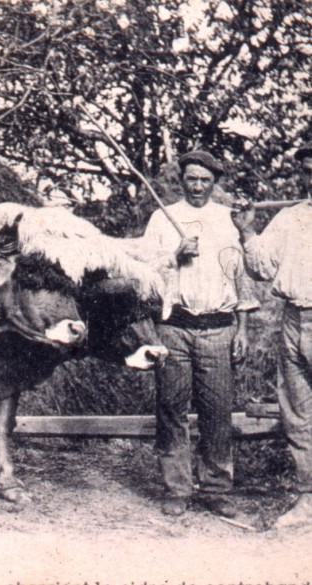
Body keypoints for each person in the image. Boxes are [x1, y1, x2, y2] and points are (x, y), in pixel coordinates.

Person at [142, 150, 259, 517]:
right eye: (191, 179)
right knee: (171, 408)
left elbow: (241, 277)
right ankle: (176, 488)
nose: (197, 186)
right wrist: (175, 255)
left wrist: (243, 329)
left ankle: (215, 487)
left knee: (217, 412)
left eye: (204, 180)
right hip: (173, 327)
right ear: (182, 179)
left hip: (219, 328)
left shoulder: (229, 220)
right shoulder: (163, 218)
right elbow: (144, 271)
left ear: (214, 183)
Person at [231, 142, 312, 529]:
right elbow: (261, 268)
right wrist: (247, 230)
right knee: (298, 414)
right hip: (293, 319)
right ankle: (308, 501)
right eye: (308, 169)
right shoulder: (289, 218)